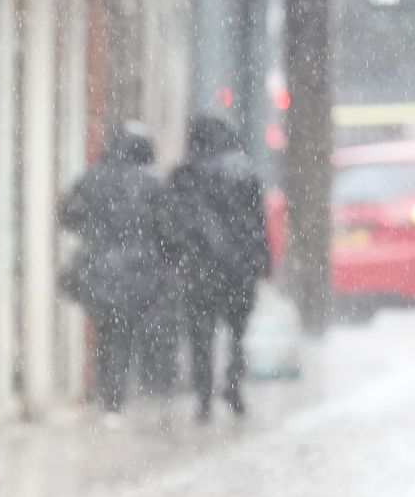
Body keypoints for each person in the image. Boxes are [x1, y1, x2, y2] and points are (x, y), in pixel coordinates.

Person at [60, 122, 171, 424]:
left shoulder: (93, 179)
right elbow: (167, 230)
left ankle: (107, 392)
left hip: (97, 269)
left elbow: (69, 215)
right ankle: (114, 397)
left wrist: (96, 232)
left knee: (106, 330)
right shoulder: (152, 184)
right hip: (137, 271)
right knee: (124, 332)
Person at [169, 114, 270, 422]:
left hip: (199, 268)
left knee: (201, 334)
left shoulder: (185, 174)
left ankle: (203, 398)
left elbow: (173, 221)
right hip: (239, 266)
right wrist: (262, 261)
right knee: (237, 331)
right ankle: (234, 383)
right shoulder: (244, 171)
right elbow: (258, 222)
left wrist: (173, 257)